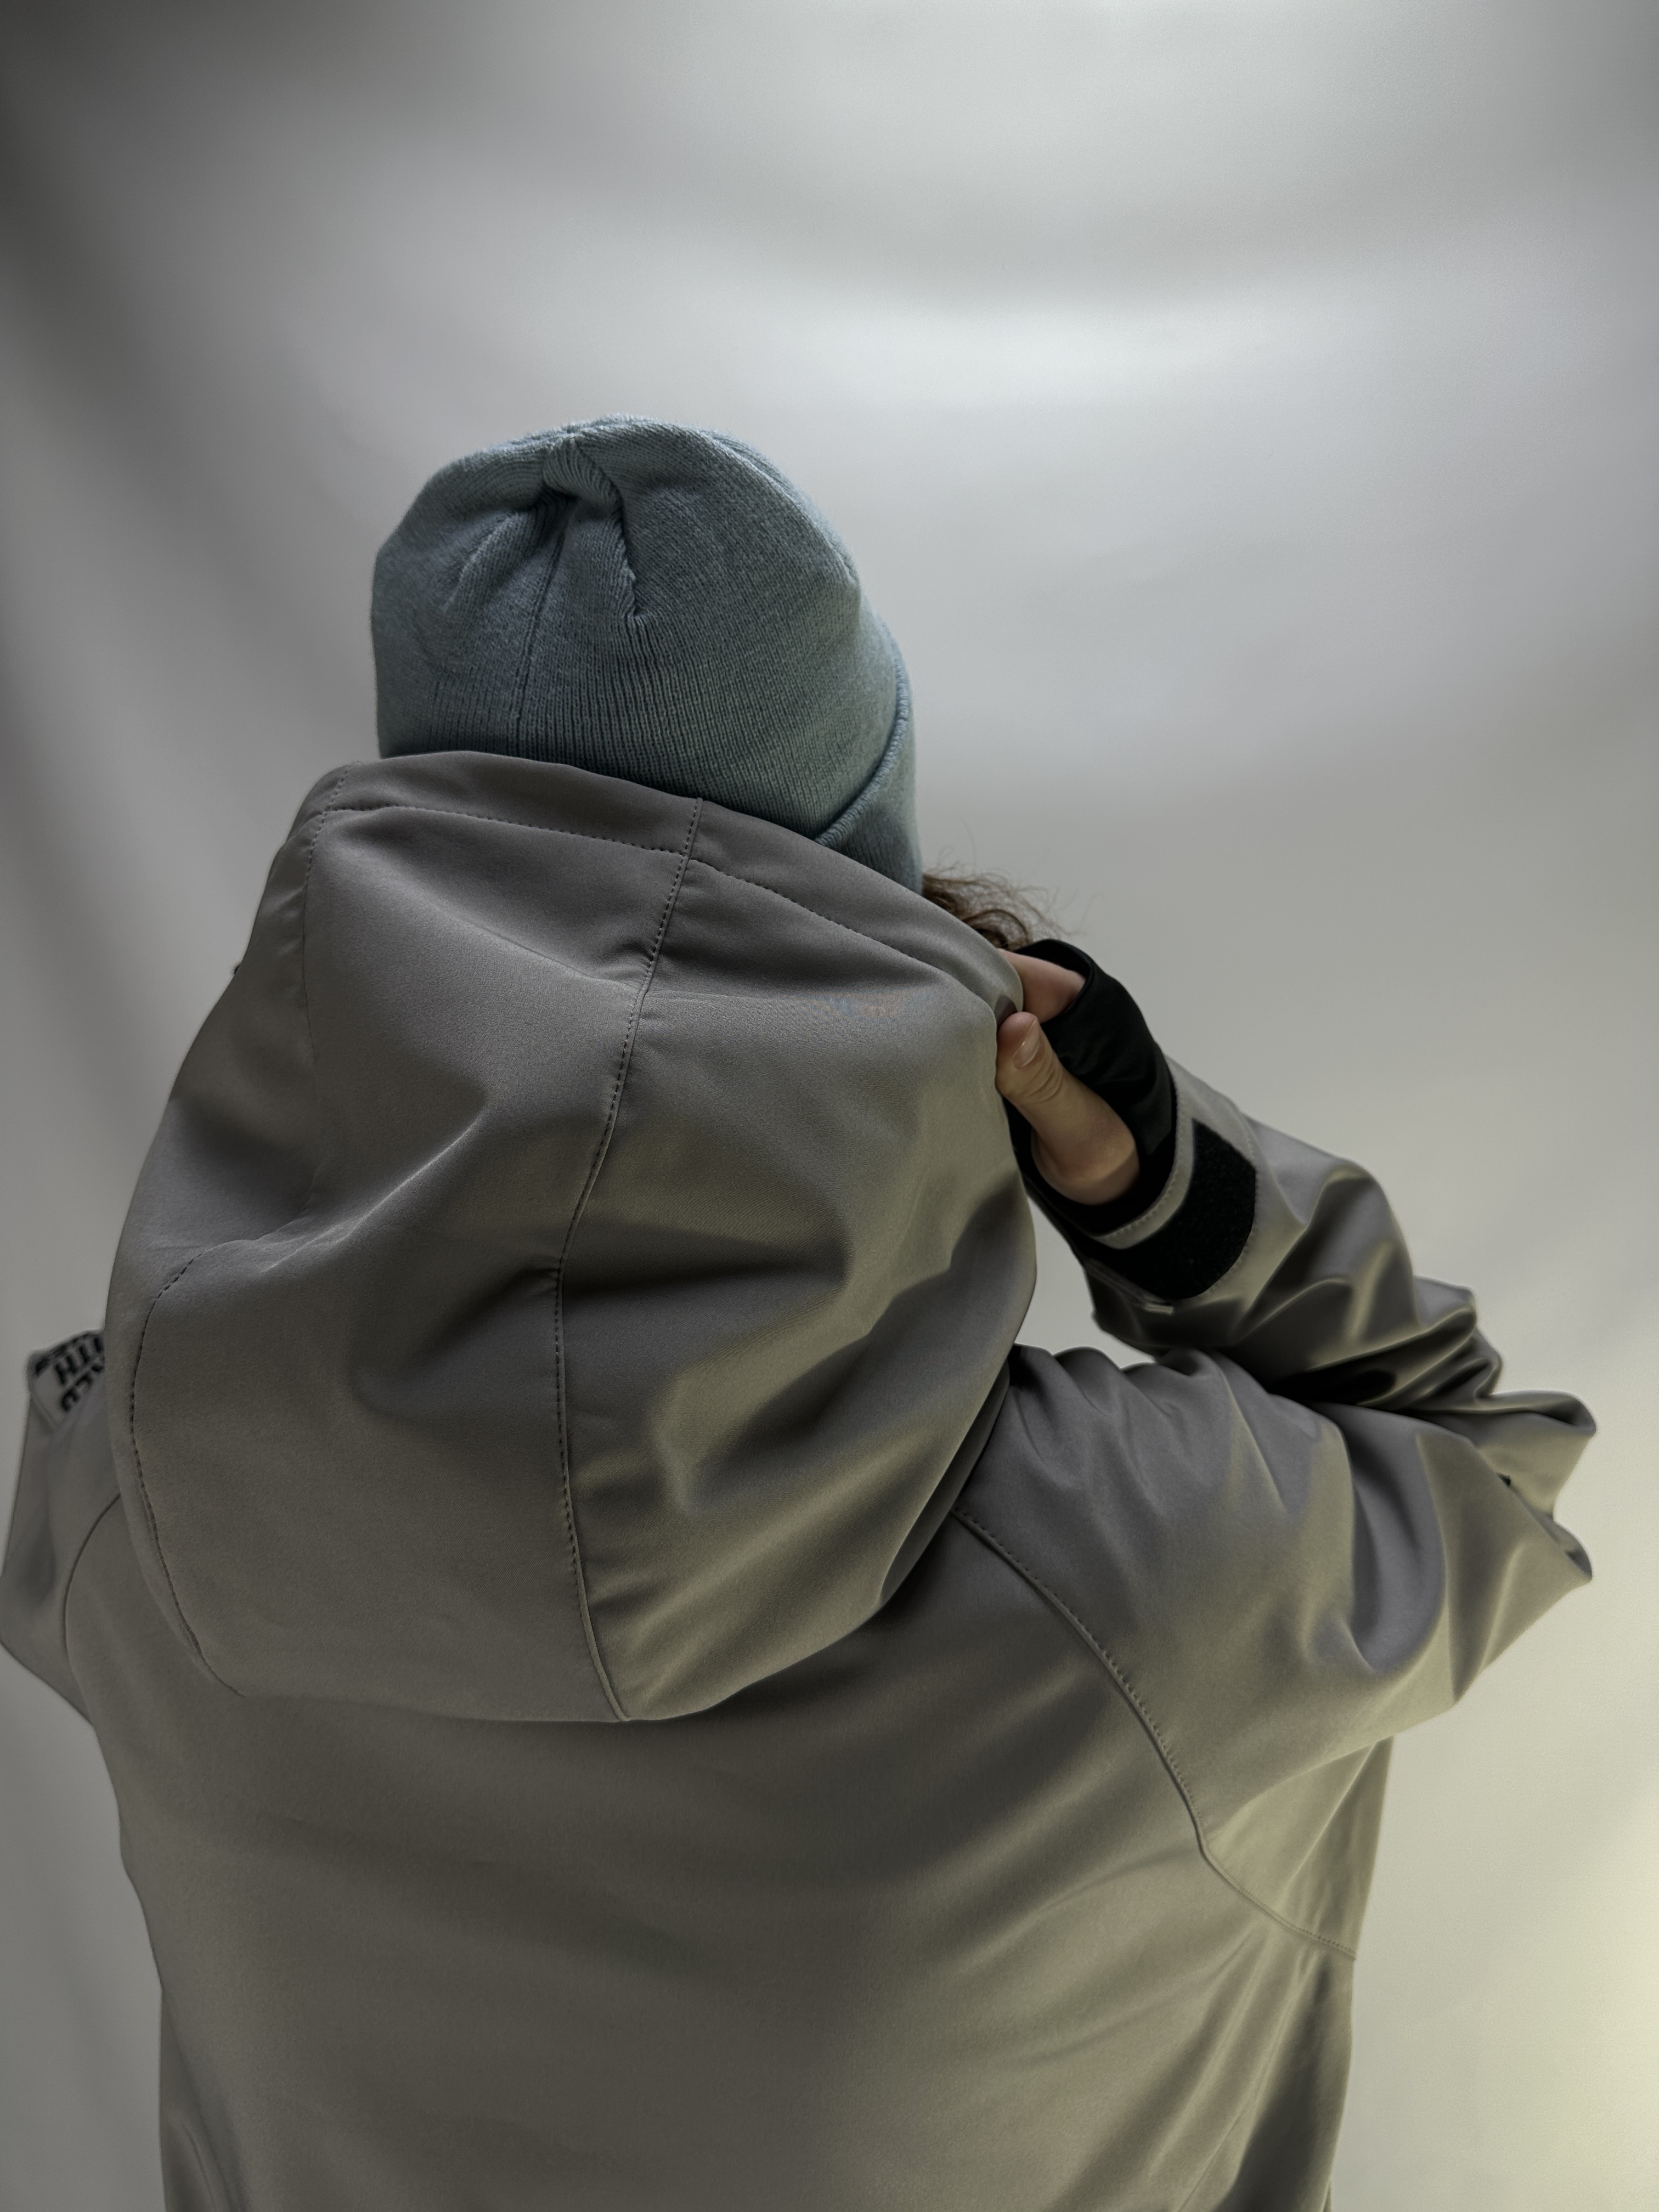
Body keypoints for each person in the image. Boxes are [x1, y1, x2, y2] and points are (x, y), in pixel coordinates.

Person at [1, 418, 1592, 2212]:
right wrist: (1160, 1177)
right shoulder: (1139, 1569)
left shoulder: (129, 1504)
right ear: (875, 909)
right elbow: (1484, 1463)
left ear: (394, 878)